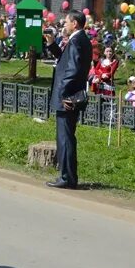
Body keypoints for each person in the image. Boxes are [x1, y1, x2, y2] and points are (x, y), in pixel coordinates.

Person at [45, 10, 92, 189]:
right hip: (72, 94)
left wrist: (64, 93)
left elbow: (72, 70)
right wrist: (51, 44)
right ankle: (68, 176)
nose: (63, 24)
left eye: (66, 22)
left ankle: (67, 177)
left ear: (75, 23)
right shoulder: (79, 40)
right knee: (66, 136)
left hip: (68, 97)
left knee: (65, 138)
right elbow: (66, 61)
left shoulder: (76, 41)